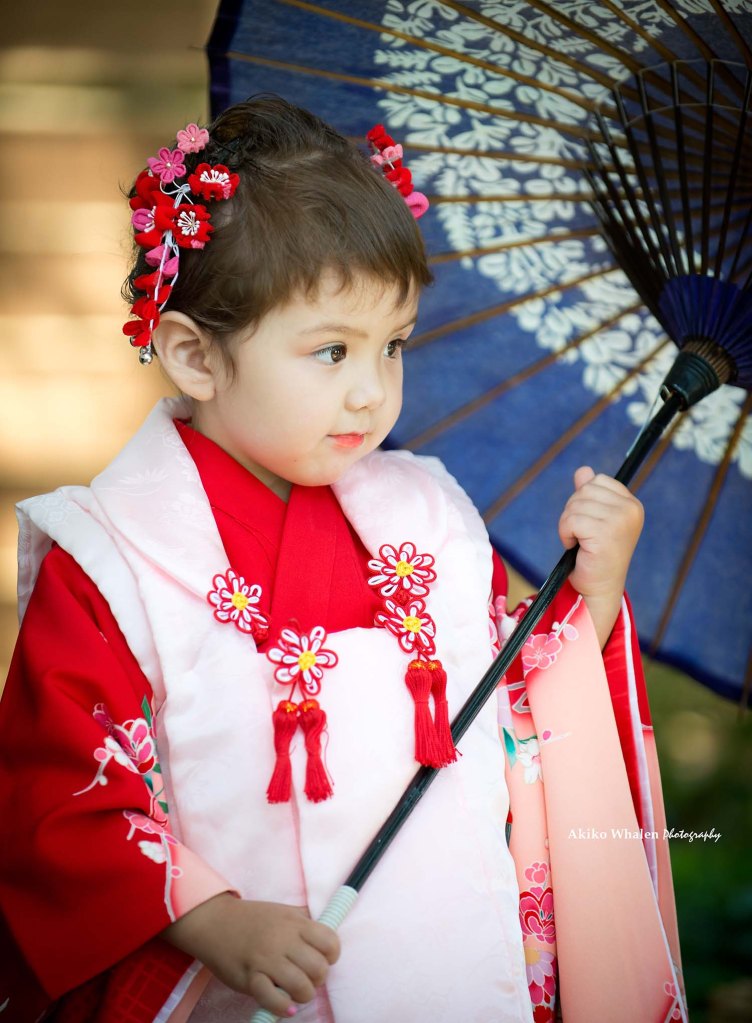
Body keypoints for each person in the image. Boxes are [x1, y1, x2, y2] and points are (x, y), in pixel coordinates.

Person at [0, 96, 686, 1023]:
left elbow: (508, 719)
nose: (372, 392)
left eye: (392, 345)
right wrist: (208, 918)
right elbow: (61, 797)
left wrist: (591, 597)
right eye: (331, 350)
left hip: (454, 967)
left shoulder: (431, 520)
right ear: (196, 357)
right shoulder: (114, 556)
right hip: (247, 980)